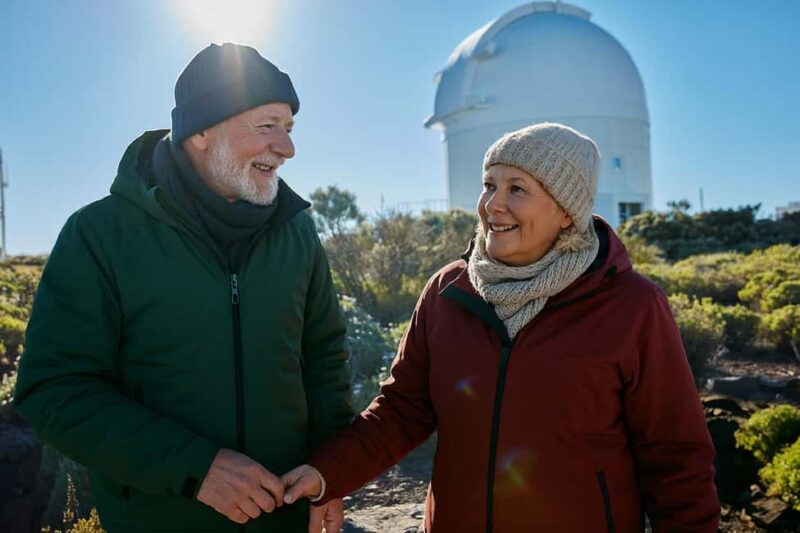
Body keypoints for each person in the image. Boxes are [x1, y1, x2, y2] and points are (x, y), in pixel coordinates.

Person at [282, 123, 720, 532]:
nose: (493, 204)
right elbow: (402, 411)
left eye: (517, 189)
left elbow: (676, 457)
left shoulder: (631, 306)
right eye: (489, 184)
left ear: (567, 212)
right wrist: (328, 473)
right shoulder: (447, 291)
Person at [15, 43, 351, 532]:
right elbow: (54, 390)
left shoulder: (296, 232)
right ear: (200, 131)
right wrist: (196, 468)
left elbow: (323, 357)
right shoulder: (100, 235)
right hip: (158, 519)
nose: (287, 148)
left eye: (289, 128)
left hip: (287, 519)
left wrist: (333, 471)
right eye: (267, 126)